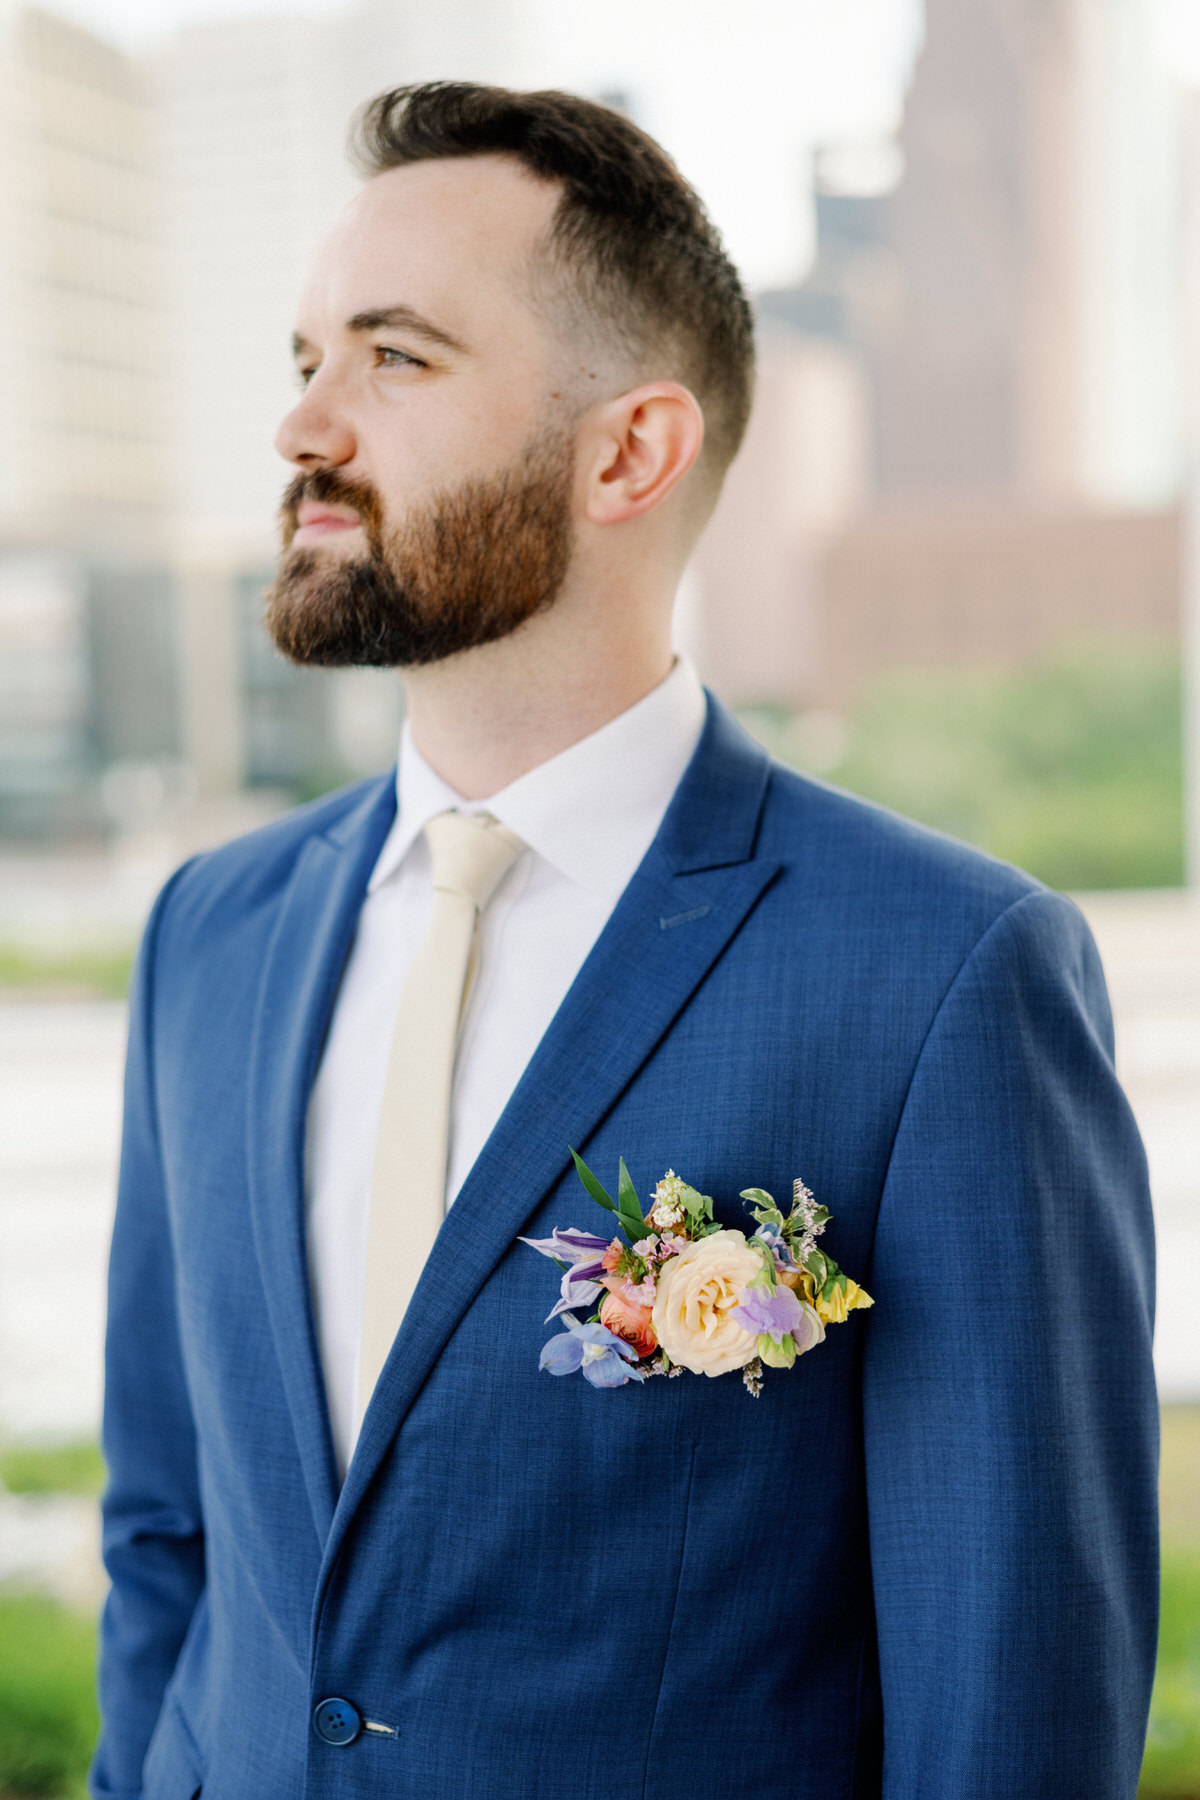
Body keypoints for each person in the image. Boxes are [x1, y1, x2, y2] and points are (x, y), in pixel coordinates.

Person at [91, 82, 1158, 1800]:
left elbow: (1010, 1681)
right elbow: (166, 1533)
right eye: (305, 359)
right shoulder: (207, 935)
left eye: (398, 359)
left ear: (628, 452)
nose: (305, 425)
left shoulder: (949, 976)